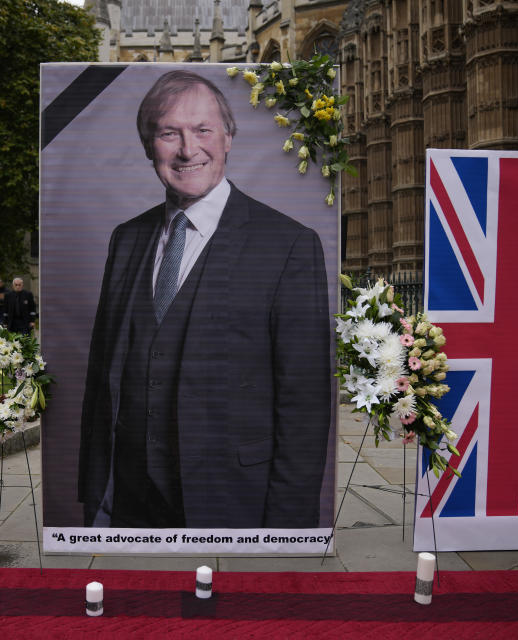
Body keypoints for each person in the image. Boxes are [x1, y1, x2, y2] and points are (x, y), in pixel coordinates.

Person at [78, 70, 332, 530]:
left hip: (235, 500)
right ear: (148, 145)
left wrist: (288, 530)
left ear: (229, 138)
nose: (187, 149)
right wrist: (94, 496)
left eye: (202, 130)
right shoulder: (126, 239)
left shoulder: (289, 244)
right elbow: (102, 380)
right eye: (169, 133)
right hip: (127, 505)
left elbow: (305, 407)